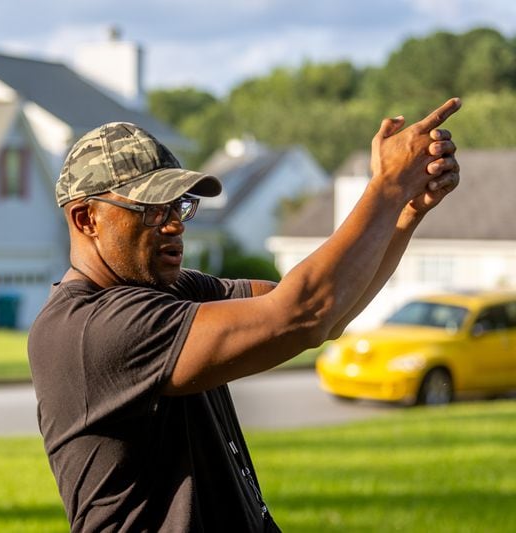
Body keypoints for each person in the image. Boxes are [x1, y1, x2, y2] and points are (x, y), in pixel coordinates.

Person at [28, 98, 461, 532]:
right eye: (152, 209)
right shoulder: (90, 329)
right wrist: (385, 189)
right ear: (86, 219)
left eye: (178, 206)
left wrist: (404, 214)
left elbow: (327, 312)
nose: (176, 224)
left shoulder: (174, 291)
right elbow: (301, 314)